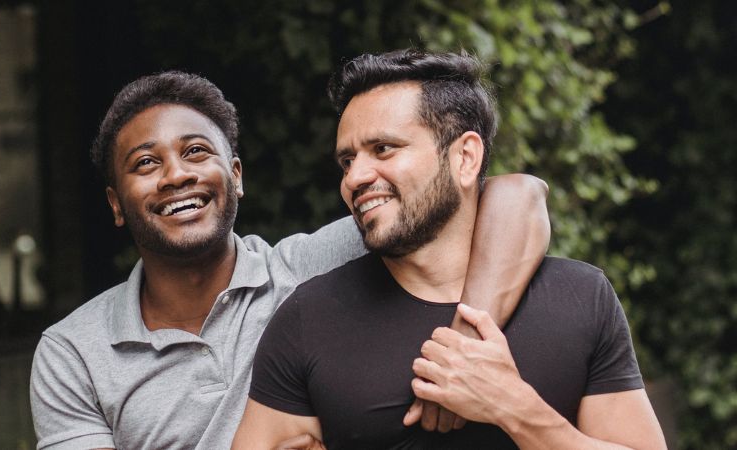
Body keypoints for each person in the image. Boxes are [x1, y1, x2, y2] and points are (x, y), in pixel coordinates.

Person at [29, 71, 550, 450]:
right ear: (116, 204)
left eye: (195, 152)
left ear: (236, 176)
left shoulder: (311, 267)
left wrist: (462, 349)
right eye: (146, 163)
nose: (175, 176)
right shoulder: (73, 353)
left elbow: (513, 196)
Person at [232, 49, 667, 449]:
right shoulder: (309, 319)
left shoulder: (579, 296)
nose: (355, 177)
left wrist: (515, 407)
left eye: (383, 149)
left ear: (465, 157)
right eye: (347, 161)